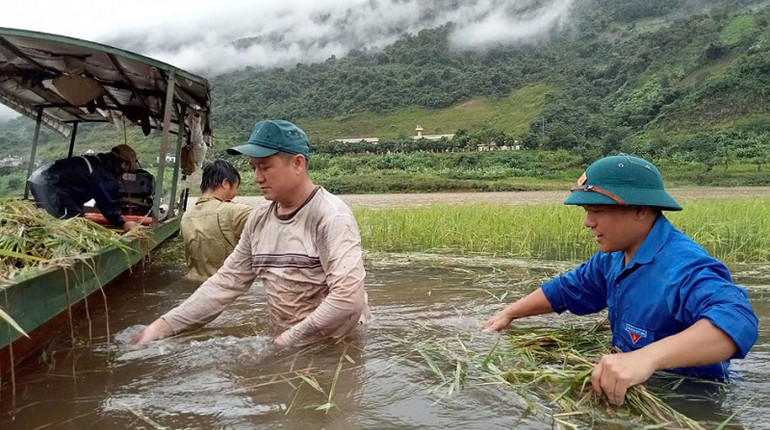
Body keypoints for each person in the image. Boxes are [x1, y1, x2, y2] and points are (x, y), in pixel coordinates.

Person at [482, 154, 758, 406]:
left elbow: (737, 321)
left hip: (689, 399)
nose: (588, 223)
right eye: (586, 213)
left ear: (639, 210)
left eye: (598, 212)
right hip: (631, 390)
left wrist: (645, 358)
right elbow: (566, 289)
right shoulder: (613, 257)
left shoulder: (683, 266)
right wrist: (510, 313)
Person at [133, 119, 370, 347]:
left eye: (265, 167)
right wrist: (162, 327)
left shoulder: (330, 217)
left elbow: (347, 300)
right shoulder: (258, 220)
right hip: (289, 339)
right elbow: (226, 283)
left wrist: (286, 341)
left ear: (298, 163)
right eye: (253, 167)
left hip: (334, 345)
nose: (256, 178)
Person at [27, 144, 140, 231]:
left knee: (66, 217)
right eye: (129, 167)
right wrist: (122, 223)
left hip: (40, 178)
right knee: (73, 222)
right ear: (124, 164)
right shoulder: (103, 173)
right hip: (48, 183)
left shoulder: (99, 162)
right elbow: (106, 201)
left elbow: (76, 187)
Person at [181, 159, 254, 281]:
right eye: (236, 188)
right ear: (225, 183)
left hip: (195, 288)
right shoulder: (236, 212)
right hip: (224, 288)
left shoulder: (187, 216)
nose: (235, 194)